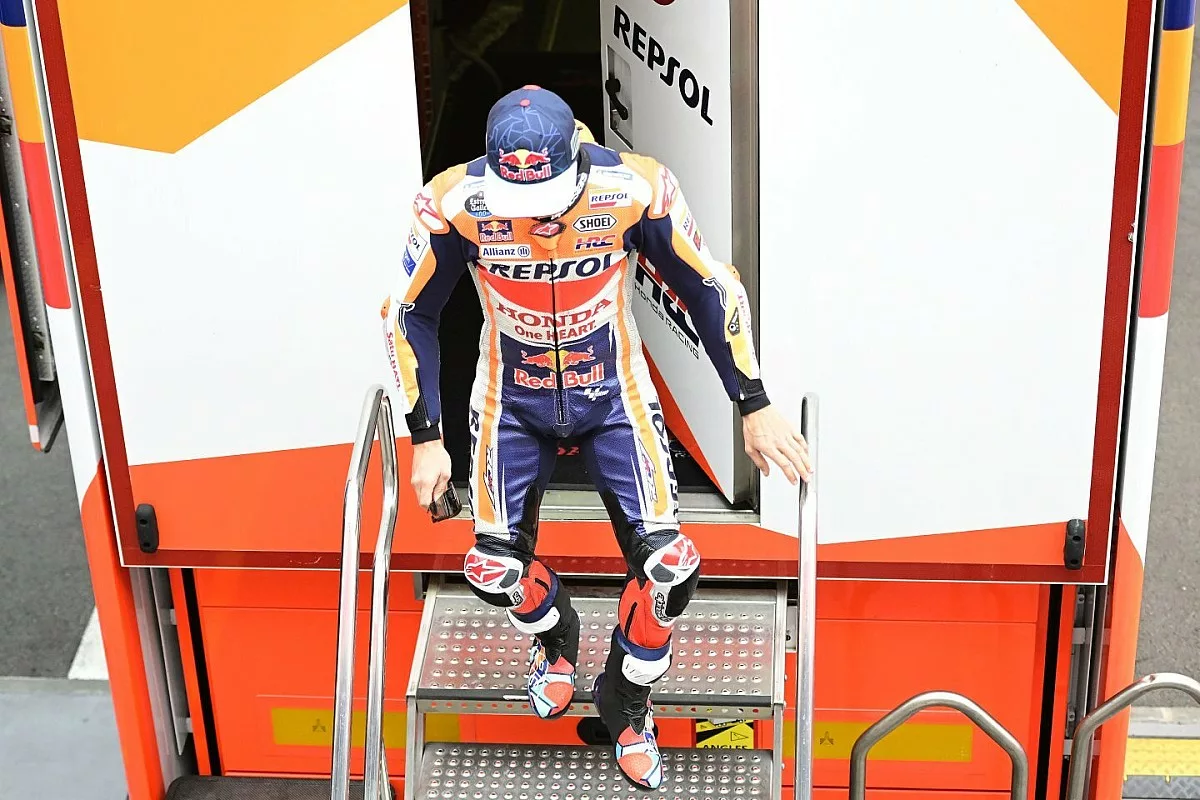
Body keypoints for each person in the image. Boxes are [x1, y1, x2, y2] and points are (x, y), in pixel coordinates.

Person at [382, 85, 811, 790]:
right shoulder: (453, 200)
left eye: (549, 199)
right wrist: (425, 436)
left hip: (614, 395)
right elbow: (407, 313)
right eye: (520, 205)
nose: (537, 219)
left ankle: (627, 700)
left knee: (671, 568)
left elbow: (712, 287)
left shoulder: (636, 186)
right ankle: (557, 639)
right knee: (491, 570)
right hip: (509, 399)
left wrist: (753, 402)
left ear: (577, 163)